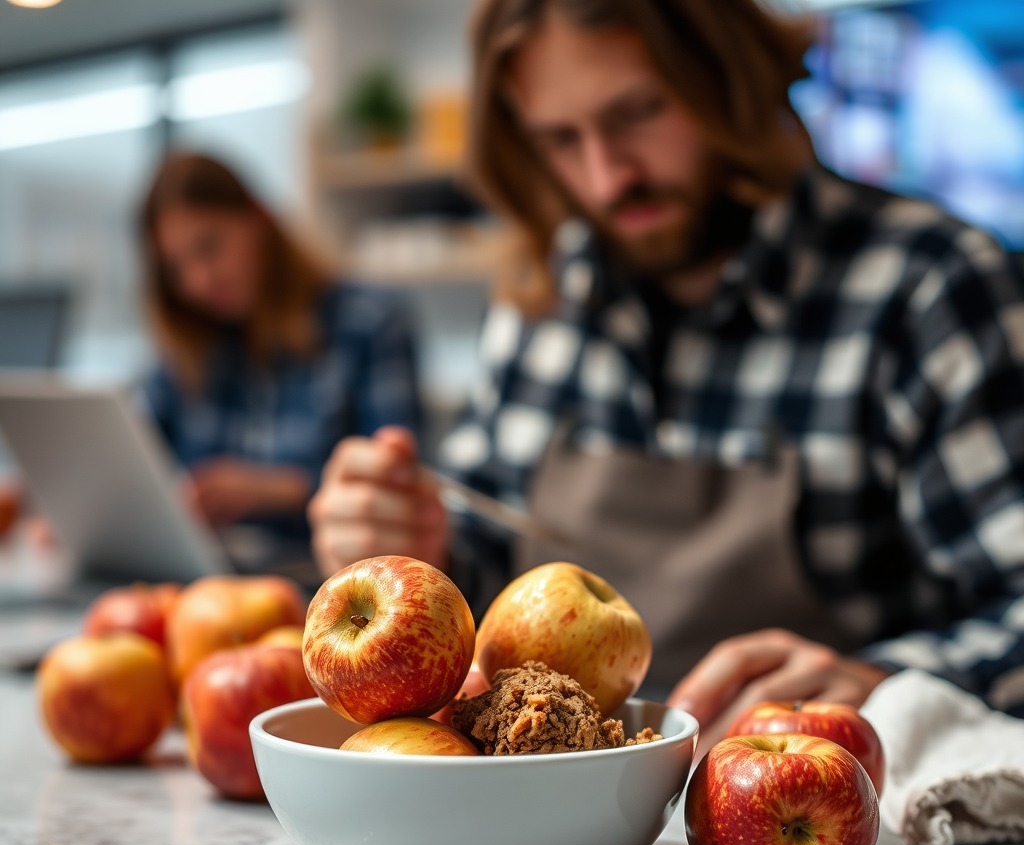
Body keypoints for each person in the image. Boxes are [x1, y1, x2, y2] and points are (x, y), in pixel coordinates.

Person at [307, 0, 1024, 751]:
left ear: (727, 76)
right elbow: (493, 563)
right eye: (559, 138)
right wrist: (423, 546)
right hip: (560, 825)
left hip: (822, 821)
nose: (607, 176)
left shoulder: (927, 289)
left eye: (639, 111)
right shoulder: (542, 300)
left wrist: (883, 683)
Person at [140, 152, 423, 541]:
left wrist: (276, 490)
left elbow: (395, 487)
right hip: (212, 580)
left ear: (258, 219)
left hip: (330, 581)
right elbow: (133, 458)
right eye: (176, 268)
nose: (198, 281)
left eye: (209, 247)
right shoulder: (189, 347)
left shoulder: (369, 321)